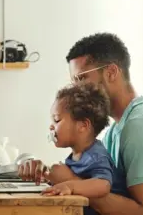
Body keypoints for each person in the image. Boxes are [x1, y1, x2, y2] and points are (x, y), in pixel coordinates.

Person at [18, 33, 143, 215]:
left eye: (81, 79)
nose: (76, 90)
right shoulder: (115, 131)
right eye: (73, 82)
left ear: (111, 72)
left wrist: (71, 181)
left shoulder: (141, 126)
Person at [41, 83, 129, 215]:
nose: (51, 127)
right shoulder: (77, 156)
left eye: (57, 120)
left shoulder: (96, 156)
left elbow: (103, 185)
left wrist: (69, 186)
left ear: (83, 125)